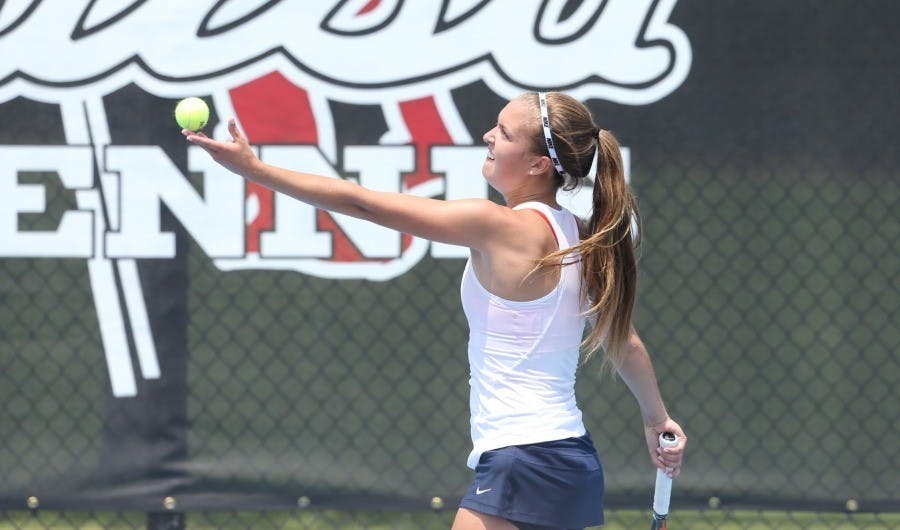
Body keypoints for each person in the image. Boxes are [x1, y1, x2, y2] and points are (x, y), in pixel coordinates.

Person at [184, 91, 686, 530]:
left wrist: (255, 171)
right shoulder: (580, 236)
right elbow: (626, 342)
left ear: (538, 164)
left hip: (523, 460)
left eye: (505, 132)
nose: (489, 136)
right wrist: (656, 419)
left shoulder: (498, 225)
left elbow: (364, 204)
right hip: (569, 460)